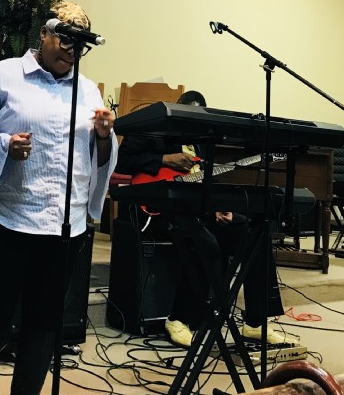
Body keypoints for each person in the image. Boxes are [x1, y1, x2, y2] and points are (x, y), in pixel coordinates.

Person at [0, 1, 117, 395]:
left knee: (44, 322)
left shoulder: (88, 89)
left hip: (63, 224)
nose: (71, 50)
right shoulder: (4, 75)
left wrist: (103, 136)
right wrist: (4, 145)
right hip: (6, 218)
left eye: (79, 44)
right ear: (43, 34)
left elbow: (98, 158)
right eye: (64, 39)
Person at [114, 90, 289, 348]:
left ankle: (255, 322)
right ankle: (179, 319)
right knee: (203, 242)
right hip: (159, 208)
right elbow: (120, 161)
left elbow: (204, 177)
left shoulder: (203, 140)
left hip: (198, 208)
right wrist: (164, 159)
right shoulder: (153, 129)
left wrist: (219, 206)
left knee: (255, 233)